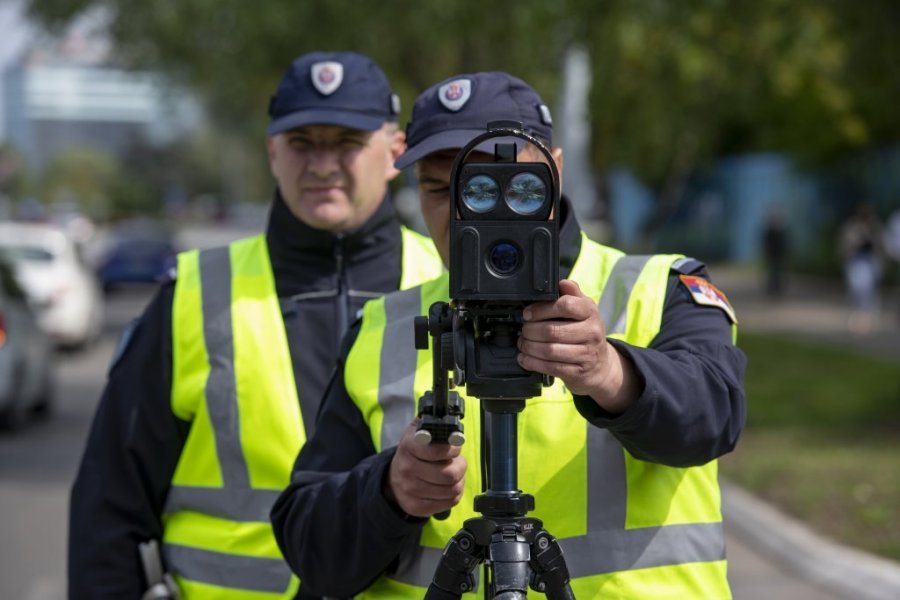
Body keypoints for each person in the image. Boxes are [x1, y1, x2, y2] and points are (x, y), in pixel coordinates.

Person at [272, 71, 747, 598]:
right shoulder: (381, 327)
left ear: (556, 172)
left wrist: (610, 373)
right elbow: (310, 550)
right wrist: (389, 492)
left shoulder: (659, 289)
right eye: (441, 189)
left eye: (510, 188)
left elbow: (713, 419)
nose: (468, 214)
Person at [68, 51, 444, 599]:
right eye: (301, 144)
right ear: (272, 152)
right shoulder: (194, 295)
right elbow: (110, 506)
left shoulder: (446, 282)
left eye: (345, 142)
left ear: (395, 153)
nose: (321, 165)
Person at [838, 202, 884, 334]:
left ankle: (868, 317)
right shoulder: (852, 227)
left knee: (869, 290)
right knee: (857, 288)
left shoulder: (875, 227)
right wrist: (857, 244)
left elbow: (881, 244)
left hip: (870, 262)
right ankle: (858, 315)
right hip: (856, 262)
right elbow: (845, 244)